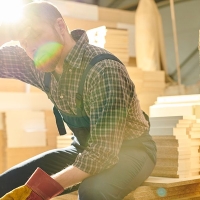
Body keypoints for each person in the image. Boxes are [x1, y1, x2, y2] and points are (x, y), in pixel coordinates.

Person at [0, 1, 157, 200]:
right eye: (24, 42)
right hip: (83, 148)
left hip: (131, 150)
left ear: (60, 26)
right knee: (4, 185)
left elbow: (103, 153)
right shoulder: (37, 62)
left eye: (36, 35)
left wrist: (41, 190)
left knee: (93, 192)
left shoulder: (102, 70)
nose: (32, 48)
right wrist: (7, 31)